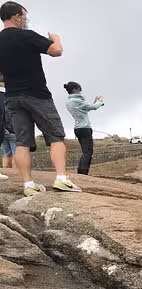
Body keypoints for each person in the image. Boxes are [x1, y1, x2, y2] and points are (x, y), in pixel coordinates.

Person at [0, 1, 81, 196]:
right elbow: (56, 51)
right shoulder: (27, 35)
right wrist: (56, 38)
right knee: (55, 136)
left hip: (12, 97)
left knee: (22, 142)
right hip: (37, 94)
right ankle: (61, 178)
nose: (26, 20)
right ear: (16, 16)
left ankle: (28, 185)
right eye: (24, 16)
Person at [64, 81, 103, 175]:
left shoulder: (69, 102)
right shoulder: (77, 101)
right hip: (85, 128)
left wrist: (95, 102)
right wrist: (100, 101)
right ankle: (83, 173)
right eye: (79, 90)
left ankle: (81, 172)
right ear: (74, 90)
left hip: (77, 129)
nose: (80, 92)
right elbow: (93, 107)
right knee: (88, 152)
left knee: (85, 151)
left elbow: (87, 108)